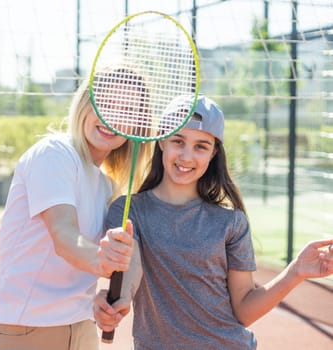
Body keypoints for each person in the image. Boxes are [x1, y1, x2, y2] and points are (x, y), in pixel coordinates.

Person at [93, 95, 333, 349]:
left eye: (201, 146)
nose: (187, 156)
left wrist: (295, 272)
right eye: (178, 141)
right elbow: (129, 273)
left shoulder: (231, 222)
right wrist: (116, 302)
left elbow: (244, 311)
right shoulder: (128, 211)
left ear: (213, 153)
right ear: (162, 140)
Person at [0, 68, 154, 350]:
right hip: (23, 329)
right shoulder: (55, 154)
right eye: (105, 103)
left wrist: (98, 300)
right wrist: (101, 259)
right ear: (85, 101)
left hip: (80, 329)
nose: (112, 117)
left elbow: (80, 273)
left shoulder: (106, 186)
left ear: (136, 127)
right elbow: (64, 234)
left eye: (128, 111)